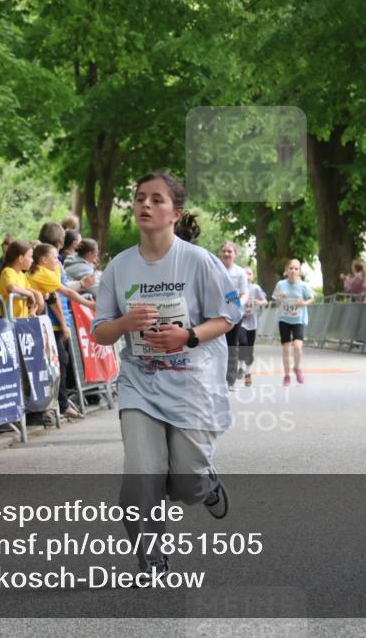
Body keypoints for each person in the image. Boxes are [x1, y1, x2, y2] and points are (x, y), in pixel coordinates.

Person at [91, 171, 241, 578]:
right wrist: (126, 322)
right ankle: (150, 557)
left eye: (157, 200)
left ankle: (206, 485)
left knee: (187, 481)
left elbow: (230, 314)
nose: (145, 205)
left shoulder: (198, 261)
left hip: (192, 383)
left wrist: (188, 336)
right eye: (140, 198)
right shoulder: (119, 267)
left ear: (175, 213)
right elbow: (99, 331)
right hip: (141, 383)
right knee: (143, 476)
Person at [28, 242, 97, 422]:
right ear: (43, 260)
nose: (58, 261)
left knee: (62, 360)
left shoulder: (49, 272)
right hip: (43, 324)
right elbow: (65, 292)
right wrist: (89, 304)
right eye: (54, 258)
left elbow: (54, 298)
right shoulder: (42, 273)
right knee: (58, 362)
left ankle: (60, 403)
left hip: (50, 324)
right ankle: (58, 404)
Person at [274, 258, 313, 386]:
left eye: (296, 268)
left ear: (299, 272)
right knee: (286, 349)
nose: (293, 271)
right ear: (286, 271)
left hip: (298, 320)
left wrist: (304, 303)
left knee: (297, 346)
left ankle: (297, 368)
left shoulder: (304, 286)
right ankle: (286, 376)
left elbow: (311, 298)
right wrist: (279, 299)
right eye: (290, 268)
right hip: (284, 319)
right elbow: (277, 304)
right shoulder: (280, 284)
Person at [219, 241, 249, 389]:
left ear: (235, 255)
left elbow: (244, 294)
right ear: (220, 253)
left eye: (229, 251)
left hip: (234, 314)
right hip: (217, 314)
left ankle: (230, 381)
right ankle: (217, 378)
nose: (226, 254)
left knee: (232, 346)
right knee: (217, 346)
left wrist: (237, 306)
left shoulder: (240, 272)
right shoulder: (215, 270)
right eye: (224, 251)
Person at [0, 240, 42, 319]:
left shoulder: (22, 275)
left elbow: (27, 289)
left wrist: (36, 294)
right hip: (6, 320)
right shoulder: (8, 271)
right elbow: (12, 288)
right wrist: (30, 294)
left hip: (19, 319)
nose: (32, 260)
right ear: (21, 258)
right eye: (30, 256)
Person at [238, 266, 267, 387]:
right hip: (241, 321)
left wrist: (259, 302)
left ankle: (247, 372)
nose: (247, 276)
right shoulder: (237, 288)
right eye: (244, 274)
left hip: (253, 323)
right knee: (243, 343)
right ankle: (240, 367)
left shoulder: (256, 288)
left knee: (249, 349)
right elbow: (229, 300)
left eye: (249, 274)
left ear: (253, 276)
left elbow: (265, 301)